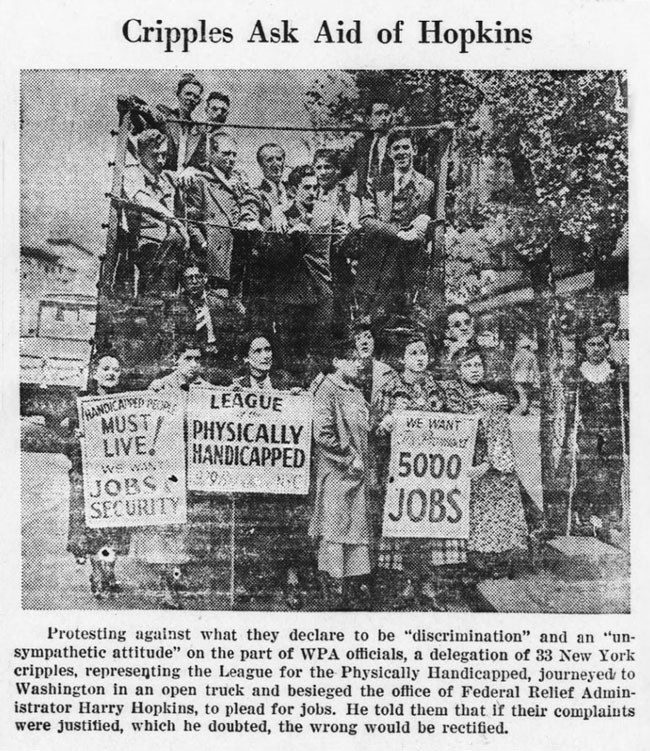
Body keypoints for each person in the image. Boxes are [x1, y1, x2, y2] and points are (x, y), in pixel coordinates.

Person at [372, 333, 454, 610]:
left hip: (430, 470)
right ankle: (405, 582)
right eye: (414, 354)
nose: (420, 359)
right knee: (404, 524)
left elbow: (451, 427)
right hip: (399, 468)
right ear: (403, 358)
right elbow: (374, 428)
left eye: (423, 354)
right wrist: (386, 425)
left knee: (429, 523)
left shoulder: (436, 388)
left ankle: (427, 583)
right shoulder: (388, 387)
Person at [130, 341, 211, 608]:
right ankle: (167, 585)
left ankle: (176, 575)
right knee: (165, 525)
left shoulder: (207, 390)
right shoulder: (160, 386)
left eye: (197, 359)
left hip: (193, 468)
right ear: (176, 360)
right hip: (166, 468)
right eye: (188, 358)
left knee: (185, 527)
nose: (194, 364)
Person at [231, 333, 308, 608]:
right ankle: (245, 581)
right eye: (258, 350)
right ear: (246, 357)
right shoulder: (235, 386)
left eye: (268, 350)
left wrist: (301, 399)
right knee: (248, 524)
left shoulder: (286, 383)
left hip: (281, 471)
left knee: (287, 525)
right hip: (251, 472)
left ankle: (291, 581)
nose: (266, 355)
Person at [444, 347, 529, 579]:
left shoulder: (491, 396)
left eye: (477, 365)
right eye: (468, 366)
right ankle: (473, 564)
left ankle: (499, 560)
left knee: (497, 507)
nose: (474, 370)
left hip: (490, 461)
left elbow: (502, 431)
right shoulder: (450, 394)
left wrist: (490, 461)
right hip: (464, 461)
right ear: (459, 370)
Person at [310, 338, 373, 610]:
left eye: (360, 359)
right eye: (352, 359)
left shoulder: (356, 392)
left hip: (357, 477)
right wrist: (349, 458)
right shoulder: (327, 388)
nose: (359, 363)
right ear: (336, 362)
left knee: (355, 533)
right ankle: (333, 591)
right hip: (337, 474)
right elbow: (322, 433)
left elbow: (365, 427)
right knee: (336, 532)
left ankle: (350, 590)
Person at [62, 353, 131, 600]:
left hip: (117, 477)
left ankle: (108, 571)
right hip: (87, 474)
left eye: (116, 369)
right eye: (106, 368)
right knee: (91, 528)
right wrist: (76, 437)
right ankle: (97, 575)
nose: (111, 373)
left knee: (115, 529)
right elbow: (64, 443)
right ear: (95, 373)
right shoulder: (80, 403)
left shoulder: (128, 403)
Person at [358, 129, 434, 329]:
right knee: (373, 322)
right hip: (378, 265)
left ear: (414, 150)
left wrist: (425, 219)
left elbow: (434, 220)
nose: (401, 152)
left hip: (410, 265)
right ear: (390, 153)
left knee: (407, 322)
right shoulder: (375, 183)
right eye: (396, 148)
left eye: (405, 147)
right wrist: (398, 232)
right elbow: (366, 219)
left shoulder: (427, 186)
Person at [564, 328, 628, 540]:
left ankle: (610, 517)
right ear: (584, 347)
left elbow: (627, 402)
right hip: (587, 430)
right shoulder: (577, 372)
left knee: (612, 471)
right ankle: (583, 516)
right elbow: (570, 408)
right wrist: (571, 434)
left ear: (607, 346)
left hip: (612, 430)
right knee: (587, 472)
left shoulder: (616, 370)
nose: (596, 349)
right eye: (591, 344)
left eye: (601, 344)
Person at [272, 165, 336, 375]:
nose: (312, 192)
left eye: (315, 187)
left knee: (321, 349)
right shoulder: (282, 213)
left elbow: (344, 238)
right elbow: (275, 256)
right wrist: (290, 232)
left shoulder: (327, 210)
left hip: (321, 288)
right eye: (306, 187)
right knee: (292, 351)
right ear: (293, 190)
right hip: (292, 293)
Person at [185, 132, 260, 297]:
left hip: (238, 253)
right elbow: (191, 221)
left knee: (236, 307)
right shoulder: (201, 181)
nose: (231, 158)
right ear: (211, 154)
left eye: (234, 154)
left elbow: (253, 202)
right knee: (216, 303)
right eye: (226, 153)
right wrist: (204, 245)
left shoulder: (240, 180)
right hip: (214, 259)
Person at [122, 129, 190, 296]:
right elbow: (141, 199)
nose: (160, 161)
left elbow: (196, 176)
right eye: (155, 155)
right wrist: (174, 221)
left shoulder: (166, 178)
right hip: (146, 250)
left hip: (170, 252)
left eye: (164, 155)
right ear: (140, 154)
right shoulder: (132, 173)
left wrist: (192, 172)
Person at [314, 148, 362, 338]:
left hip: (340, 267)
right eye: (319, 167)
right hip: (315, 269)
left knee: (341, 320)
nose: (323, 172)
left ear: (337, 170)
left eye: (328, 167)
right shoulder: (310, 194)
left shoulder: (350, 201)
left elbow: (351, 236)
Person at [342, 98, 394, 197]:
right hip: (365, 198)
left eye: (386, 113)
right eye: (378, 114)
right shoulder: (361, 144)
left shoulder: (396, 143)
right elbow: (345, 167)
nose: (384, 118)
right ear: (369, 119)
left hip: (388, 196)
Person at [510, 332, 540, 415]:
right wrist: (536, 377)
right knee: (528, 394)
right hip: (529, 377)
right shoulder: (532, 355)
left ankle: (524, 409)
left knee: (522, 394)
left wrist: (512, 376)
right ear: (528, 346)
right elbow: (535, 368)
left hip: (519, 377)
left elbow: (513, 367)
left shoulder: (517, 355)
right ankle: (526, 409)